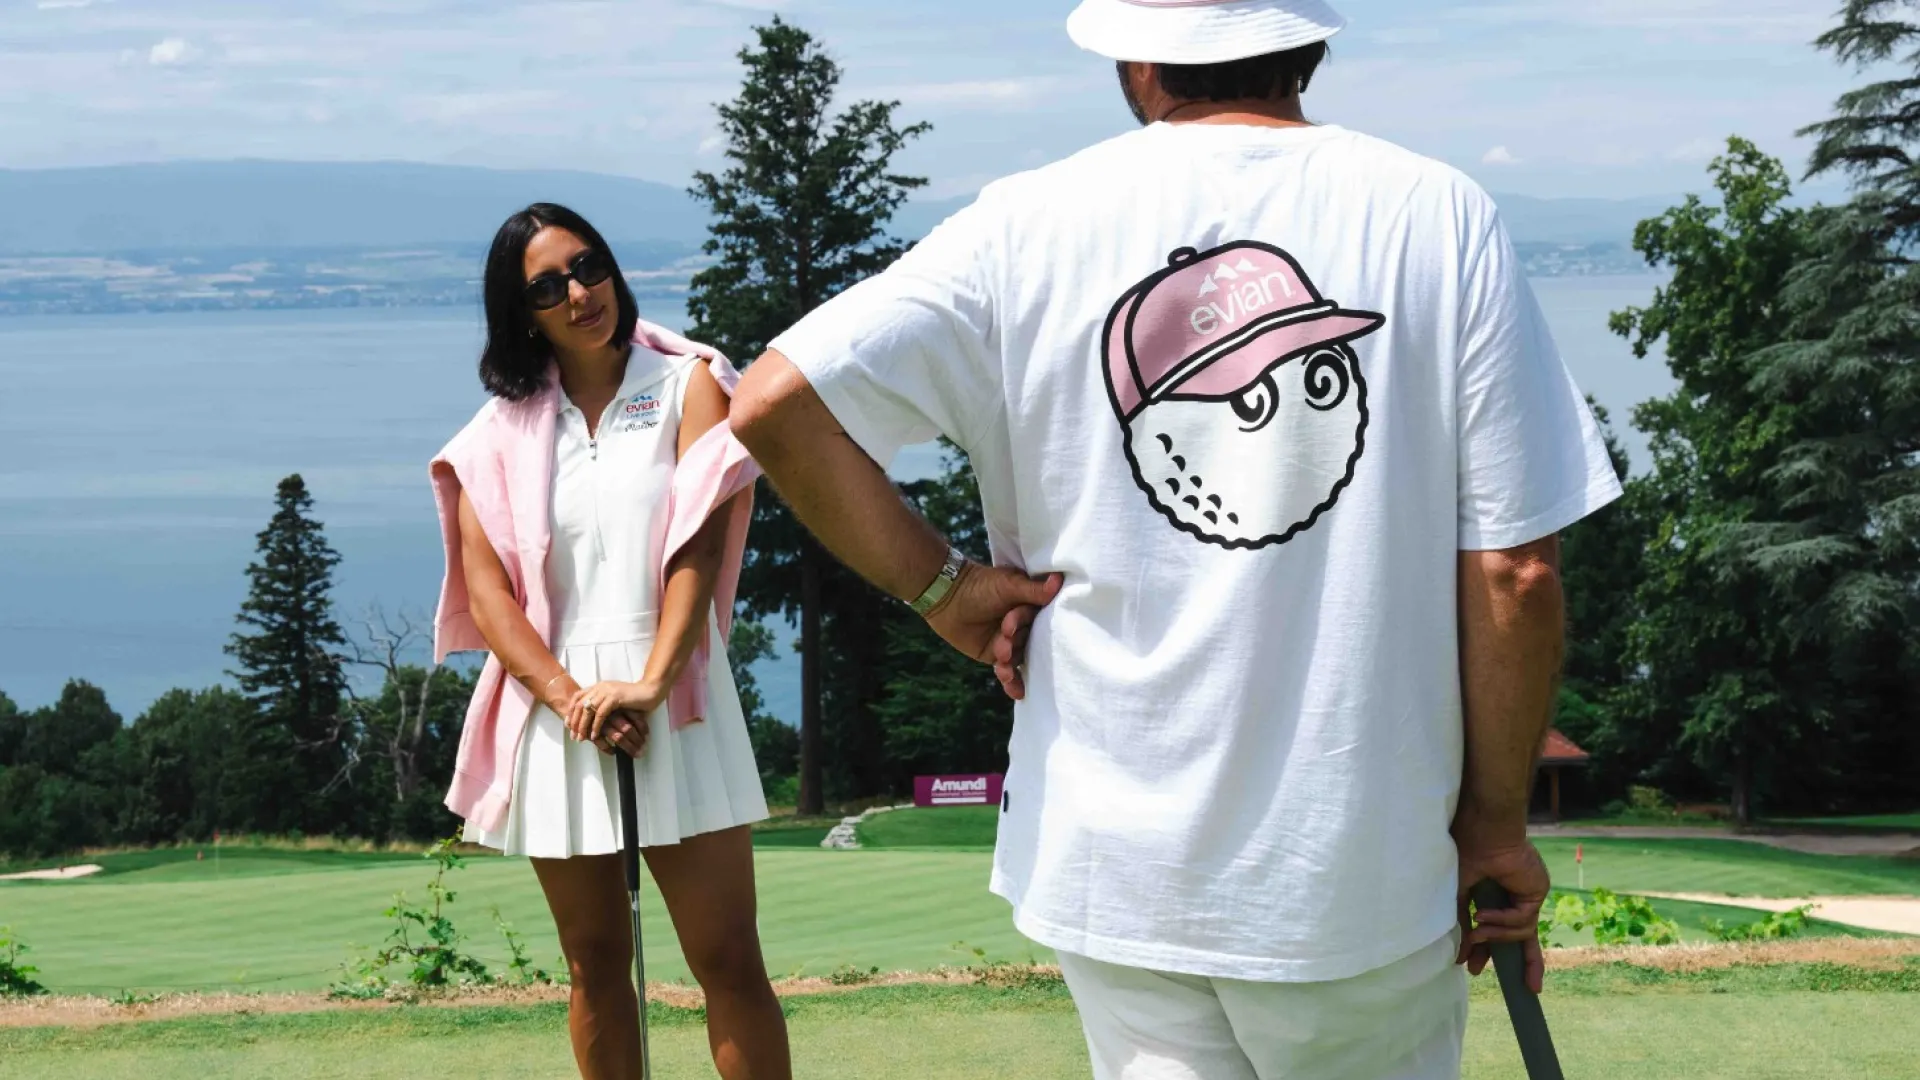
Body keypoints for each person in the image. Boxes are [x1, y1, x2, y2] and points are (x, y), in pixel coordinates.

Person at [730, 2, 1620, 1077]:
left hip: (1116, 873)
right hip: (1359, 871)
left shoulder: (1027, 222)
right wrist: (1493, 825)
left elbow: (775, 404)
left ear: (1139, 56)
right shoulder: (1435, 212)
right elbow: (1516, 573)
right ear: (1309, 37)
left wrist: (947, 592)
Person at [429, 203, 790, 1080]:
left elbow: (696, 545)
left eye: (589, 266)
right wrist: (571, 699)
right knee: (594, 966)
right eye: (548, 286)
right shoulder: (498, 430)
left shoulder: (687, 384)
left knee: (728, 960)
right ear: (522, 313)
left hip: (679, 690)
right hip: (559, 713)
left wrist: (653, 682)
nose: (579, 293)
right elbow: (491, 594)